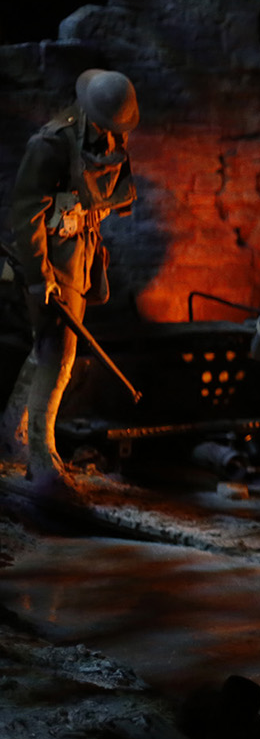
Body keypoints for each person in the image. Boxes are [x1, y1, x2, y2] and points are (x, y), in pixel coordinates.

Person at [7, 69, 140, 495]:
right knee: (57, 354)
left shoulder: (107, 138)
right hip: (50, 258)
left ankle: (12, 433)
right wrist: (37, 276)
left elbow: (113, 189)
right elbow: (27, 214)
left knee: (47, 349)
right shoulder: (50, 143)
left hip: (79, 253)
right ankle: (42, 457)